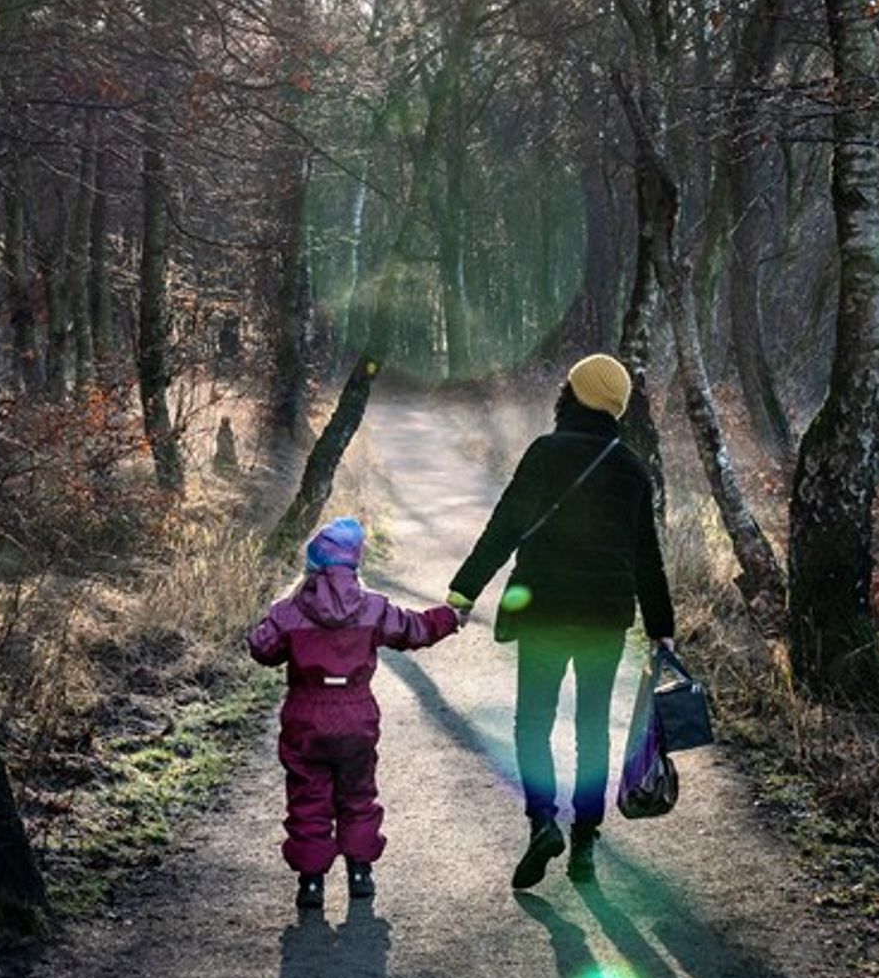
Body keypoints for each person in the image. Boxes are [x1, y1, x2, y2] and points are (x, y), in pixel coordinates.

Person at [448, 353, 675, 889]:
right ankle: (586, 845)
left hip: (546, 613)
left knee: (533, 723)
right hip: (604, 619)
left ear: (570, 396)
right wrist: (662, 625)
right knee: (592, 730)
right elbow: (649, 559)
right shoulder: (632, 469)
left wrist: (464, 592)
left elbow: (504, 527)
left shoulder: (546, 453)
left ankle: (542, 821)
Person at [249, 516, 463, 908]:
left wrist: (268, 621)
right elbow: (415, 629)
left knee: (308, 796)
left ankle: (311, 882)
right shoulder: (372, 608)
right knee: (358, 793)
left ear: (312, 565)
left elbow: (262, 649)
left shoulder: (290, 611)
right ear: (354, 564)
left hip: (305, 715)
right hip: (356, 715)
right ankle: (360, 871)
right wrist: (449, 618)